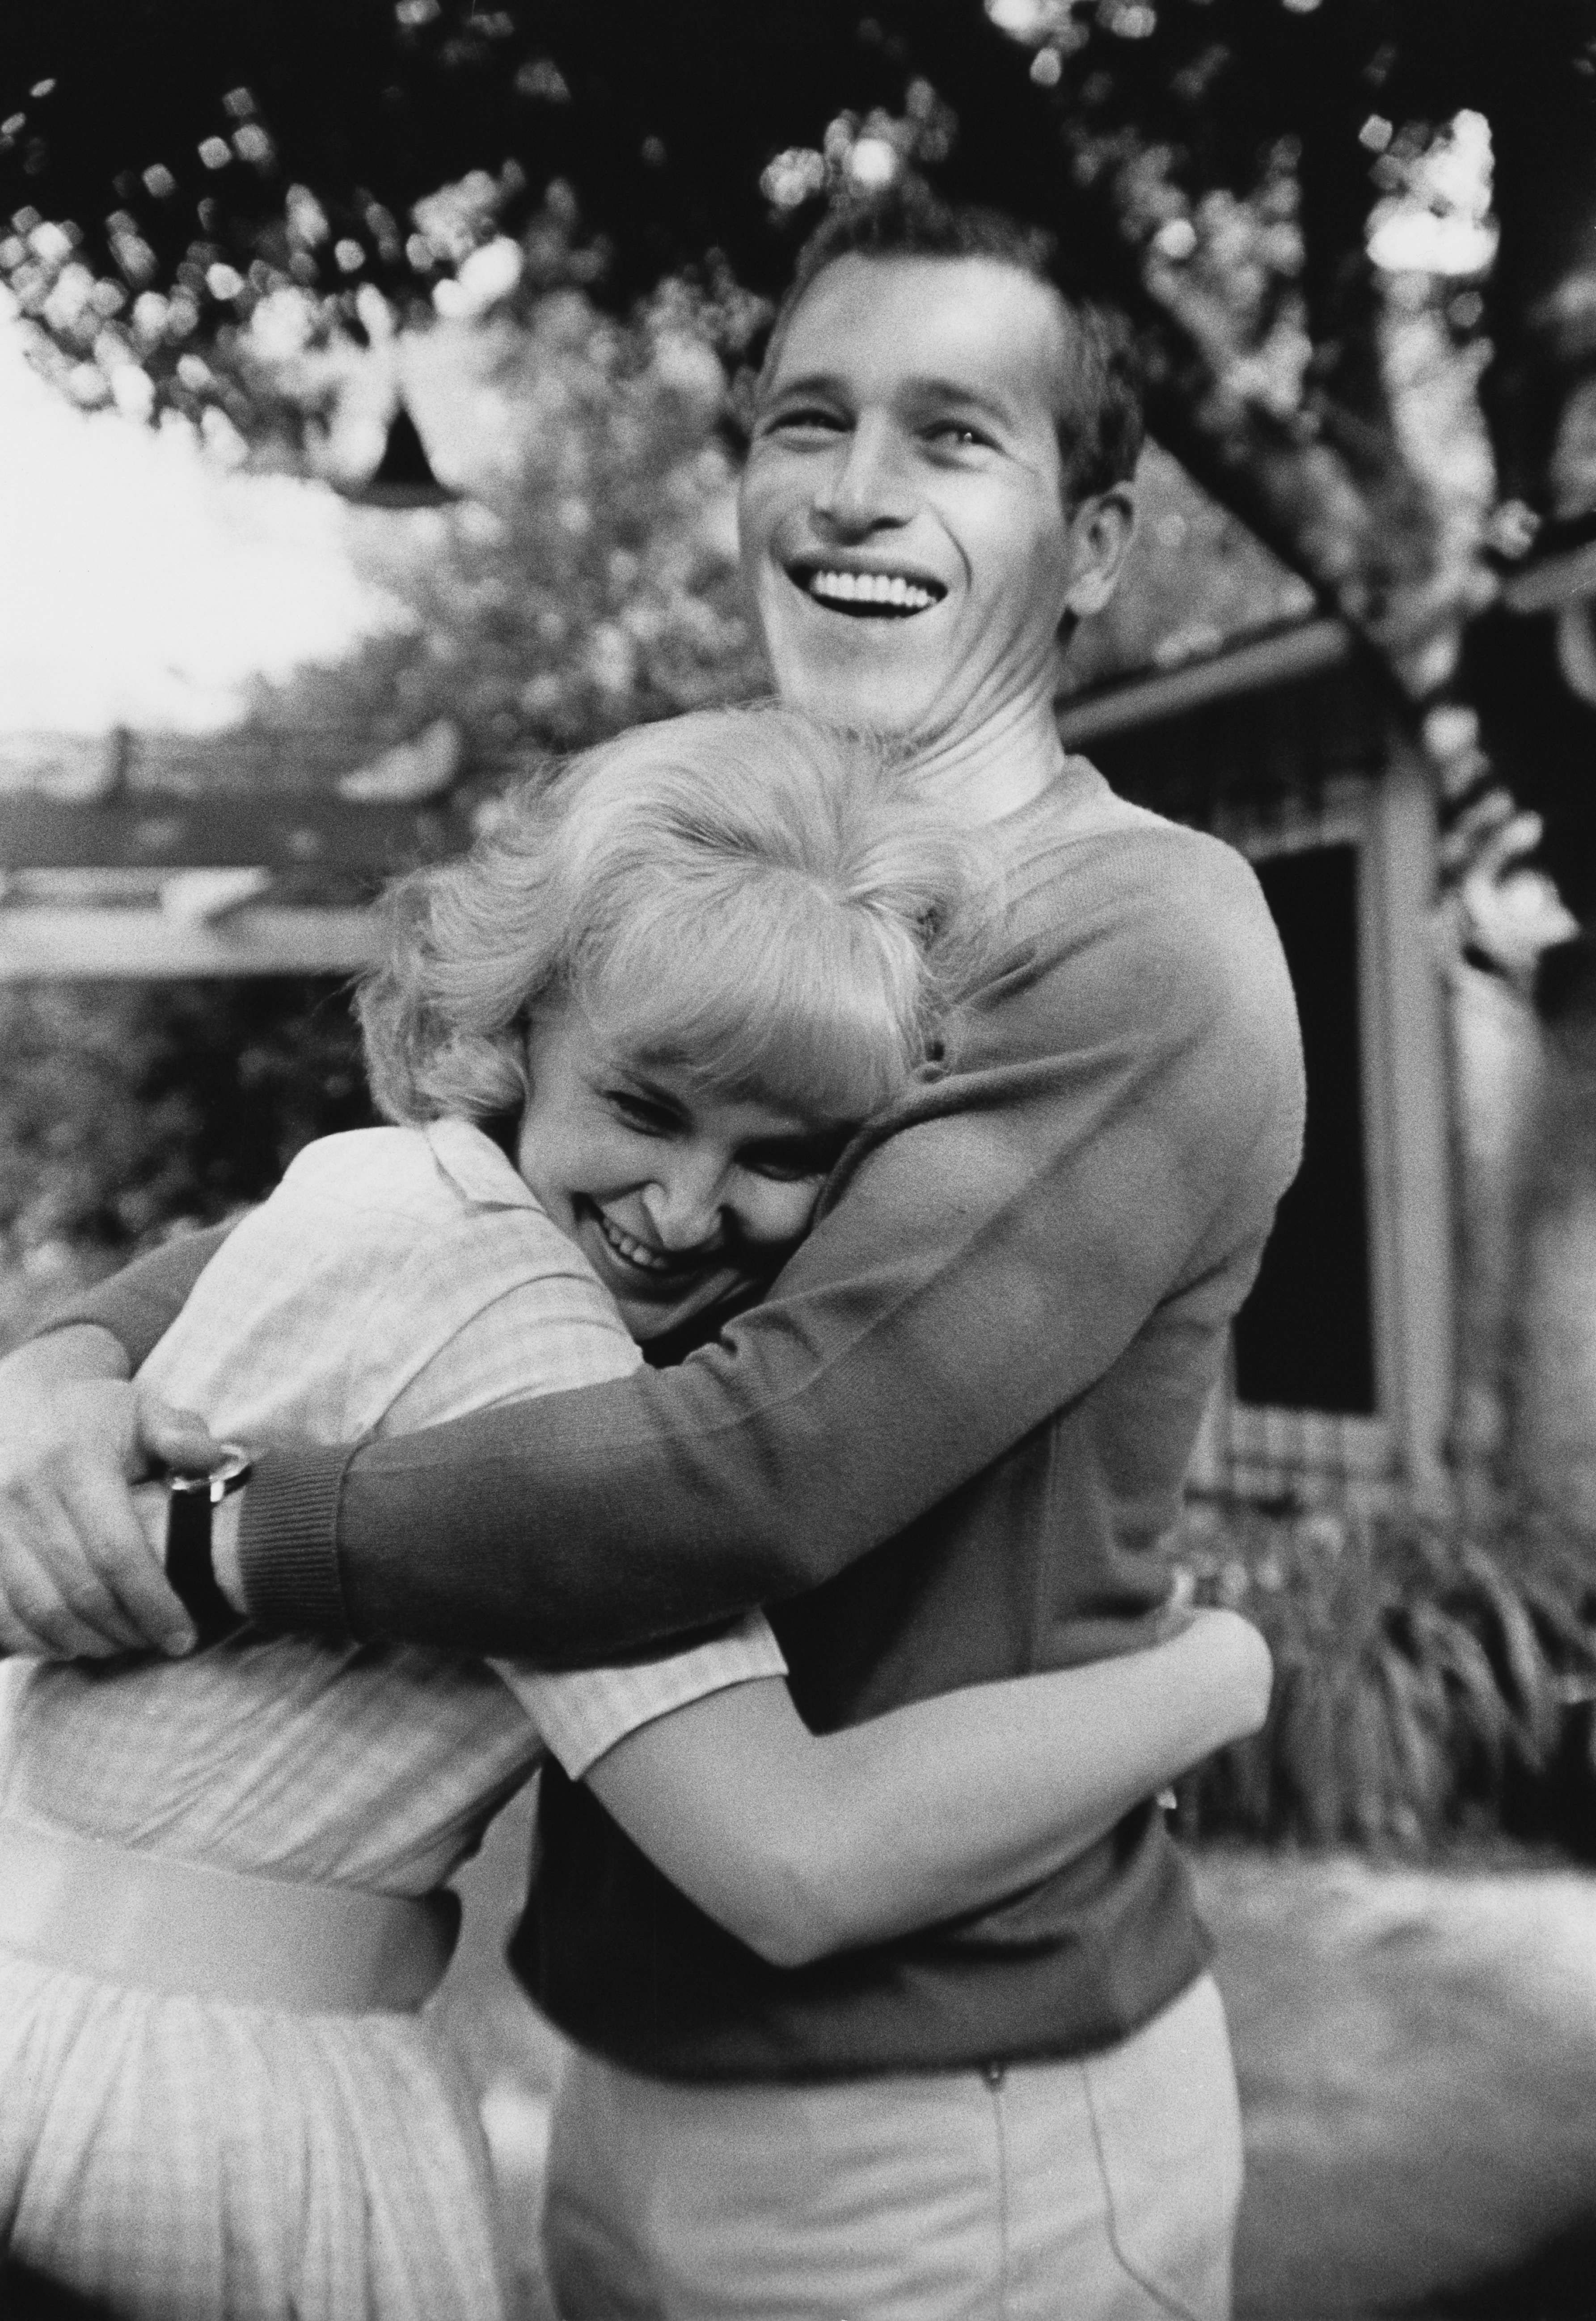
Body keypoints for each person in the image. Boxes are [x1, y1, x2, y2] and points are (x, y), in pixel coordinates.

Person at [0, 182, 1305, 2320]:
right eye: (806, 420)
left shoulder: (1140, 937)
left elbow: (741, 1466)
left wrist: (218, 1535)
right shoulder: (736, 861)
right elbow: (411, 1191)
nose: (853, 488)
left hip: (947, 2106)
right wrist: (58, 1370)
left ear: (1094, 542)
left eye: (951, 432)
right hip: (615, 2060)